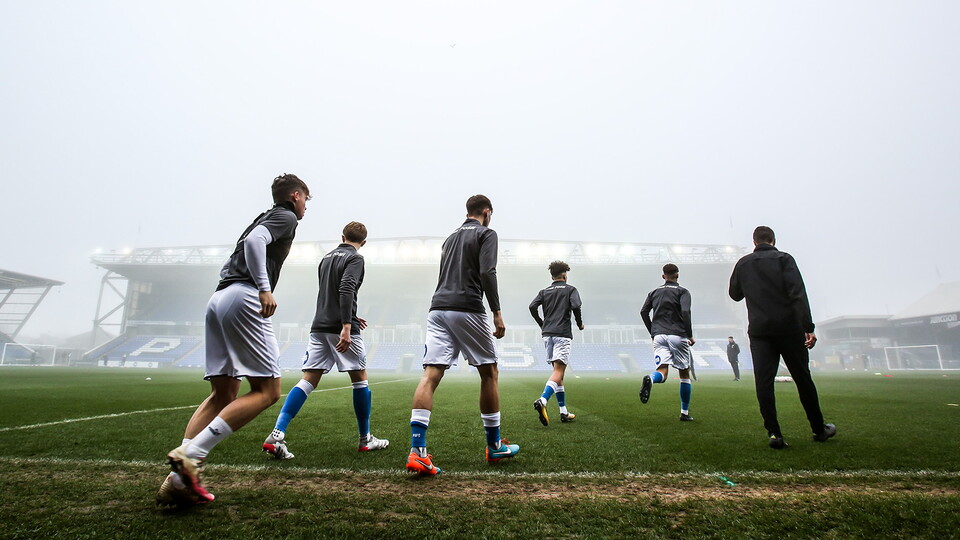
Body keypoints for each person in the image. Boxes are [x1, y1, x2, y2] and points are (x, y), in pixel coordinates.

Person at [156, 174, 310, 506]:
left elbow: (244, 245)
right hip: (243, 297)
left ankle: (179, 478)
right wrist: (264, 288)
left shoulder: (263, 216)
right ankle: (190, 458)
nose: (305, 206)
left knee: (224, 392)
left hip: (220, 298)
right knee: (267, 391)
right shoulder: (284, 215)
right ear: (295, 196)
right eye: (306, 200)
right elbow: (256, 243)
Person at [405, 195, 519, 476]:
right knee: (489, 372)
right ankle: (494, 445)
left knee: (430, 375)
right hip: (467, 307)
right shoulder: (487, 233)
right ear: (486, 212)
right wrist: (497, 311)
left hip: (438, 308)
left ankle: (417, 451)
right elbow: (487, 271)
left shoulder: (450, 237)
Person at [261, 221, 388, 460]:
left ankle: (276, 434)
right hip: (339, 327)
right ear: (364, 243)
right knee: (360, 378)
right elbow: (346, 287)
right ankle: (365, 439)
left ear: (342, 236)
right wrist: (347, 325)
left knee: (309, 379)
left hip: (319, 325)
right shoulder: (356, 259)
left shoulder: (327, 257)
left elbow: (329, 292)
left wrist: (350, 314)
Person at [728, 226, 836, 449]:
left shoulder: (744, 263)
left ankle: (775, 434)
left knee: (764, 383)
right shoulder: (785, 259)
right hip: (789, 328)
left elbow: (734, 294)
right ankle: (818, 429)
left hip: (760, 331)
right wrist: (808, 326)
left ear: (754, 241)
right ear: (773, 240)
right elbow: (798, 293)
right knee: (803, 378)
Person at [529, 260, 584, 426]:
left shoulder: (544, 291)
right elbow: (576, 305)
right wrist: (580, 323)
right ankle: (543, 400)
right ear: (564, 275)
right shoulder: (570, 289)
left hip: (548, 335)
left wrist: (542, 323)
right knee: (559, 372)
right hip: (562, 334)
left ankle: (563, 412)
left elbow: (532, 307)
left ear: (552, 276)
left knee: (558, 373)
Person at [638, 264, 696, 421]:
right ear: (677, 275)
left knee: (662, 372)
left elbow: (643, 312)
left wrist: (652, 331)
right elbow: (685, 311)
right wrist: (690, 335)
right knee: (684, 374)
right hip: (677, 334)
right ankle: (684, 412)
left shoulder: (654, 292)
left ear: (663, 276)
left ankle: (651, 378)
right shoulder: (683, 292)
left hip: (659, 336)